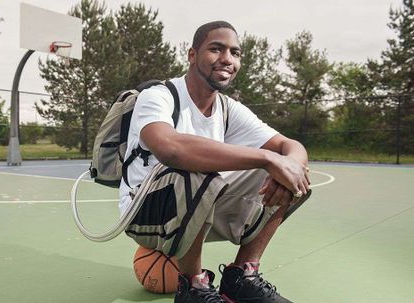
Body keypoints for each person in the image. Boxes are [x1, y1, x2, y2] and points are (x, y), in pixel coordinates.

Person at [120, 20, 311, 303]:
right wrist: (266, 158)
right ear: (192, 54)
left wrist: (288, 166)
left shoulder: (227, 108)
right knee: (195, 171)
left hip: (197, 207)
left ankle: (241, 277)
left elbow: (289, 146)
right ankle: (193, 287)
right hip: (146, 213)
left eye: (235, 52)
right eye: (216, 49)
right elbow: (170, 149)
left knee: (293, 174)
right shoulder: (159, 96)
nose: (227, 59)